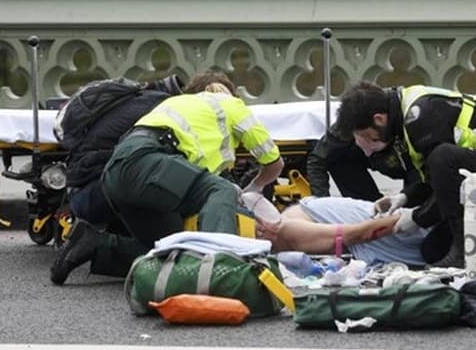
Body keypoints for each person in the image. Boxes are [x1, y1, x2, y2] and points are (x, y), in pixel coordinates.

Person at [50, 71, 284, 285]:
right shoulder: (229, 104)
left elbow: (195, 186)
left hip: (116, 173)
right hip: (147, 159)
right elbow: (274, 163)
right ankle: (220, 269)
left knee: (174, 249)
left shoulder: (174, 103)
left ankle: (94, 244)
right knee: (222, 191)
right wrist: (254, 189)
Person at [334, 82, 476, 268]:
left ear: (379, 119)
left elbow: (446, 171)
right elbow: (437, 180)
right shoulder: (400, 117)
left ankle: (462, 256)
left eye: (364, 134)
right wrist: (405, 197)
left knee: (443, 156)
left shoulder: (420, 115)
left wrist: (418, 216)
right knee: (433, 250)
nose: (365, 142)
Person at [57, 75, 185, 230]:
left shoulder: (142, 97)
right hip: (92, 196)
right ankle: (99, 243)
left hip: (80, 189)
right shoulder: (160, 110)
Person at [255, 196, 430, 267]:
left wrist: (417, 216)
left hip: (398, 227)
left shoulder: (288, 229)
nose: (260, 232)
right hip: (396, 226)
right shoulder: (290, 226)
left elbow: (358, 234)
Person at [306, 123, 419, 201]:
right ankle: (367, 207)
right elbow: (317, 161)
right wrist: (323, 203)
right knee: (334, 156)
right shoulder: (345, 126)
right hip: (365, 158)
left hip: (410, 158)